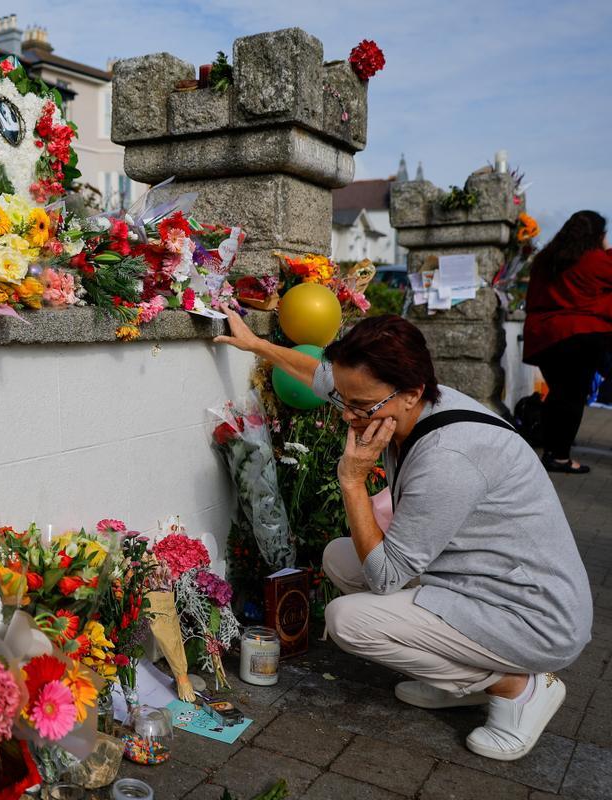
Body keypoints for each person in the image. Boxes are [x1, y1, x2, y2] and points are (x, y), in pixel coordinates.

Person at [215, 311, 592, 761]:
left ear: (412, 392)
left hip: (532, 616)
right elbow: (322, 377)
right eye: (346, 402)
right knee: (340, 557)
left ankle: (516, 686)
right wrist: (257, 345)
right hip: (476, 579)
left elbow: (385, 578)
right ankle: (463, 677)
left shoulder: (448, 457)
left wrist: (353, 481)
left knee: (347, 621)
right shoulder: (397, 401)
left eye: (360, 407)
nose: (348, 416)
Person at [523, 210, 612, 474]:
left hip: (546, 337)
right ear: (596, 234)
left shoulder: (545, 259)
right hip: (581, 334)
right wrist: (606, 248)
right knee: (572, 397)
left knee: (559, 395)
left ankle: (553, 450)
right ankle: (560, 456)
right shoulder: (593, 260)